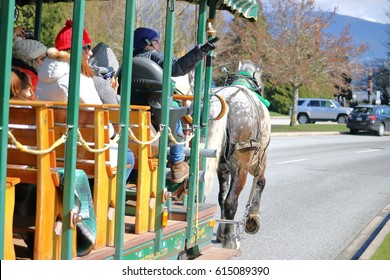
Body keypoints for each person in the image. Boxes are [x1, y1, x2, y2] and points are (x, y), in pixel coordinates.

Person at [36, 20, 134, 181]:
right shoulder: (78, 78)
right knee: (127, 156)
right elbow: (98, 117)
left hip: (50, 151)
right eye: (87, 47)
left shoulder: (43, 77)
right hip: (78, 151)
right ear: (73, 50)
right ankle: (101, 203)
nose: (91, 53)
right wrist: (113, 134)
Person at [132, 27, 217, 183]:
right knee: (175, 118)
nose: (159, 44)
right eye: (157, 41)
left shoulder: (129, 62)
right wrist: (201, 51)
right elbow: (178, 67)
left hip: (134, 118)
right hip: (156, 119)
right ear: (148, 43)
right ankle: (177, 164)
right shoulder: (154, 57)